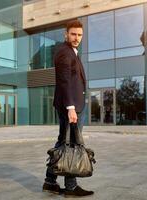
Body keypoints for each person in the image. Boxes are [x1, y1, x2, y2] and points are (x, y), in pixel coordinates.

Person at [42, 19, 94, 197]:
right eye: (73, 34)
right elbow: (64, 82)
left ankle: (50, 182)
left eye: (80, 35)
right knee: (71, 144)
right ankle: (71, 187)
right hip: (70, 107)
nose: (77, 37)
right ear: (66, 34)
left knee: (63, 143)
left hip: (71, 105)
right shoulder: (65, 52)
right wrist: (71, 107)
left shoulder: (72, 52)